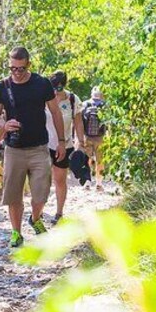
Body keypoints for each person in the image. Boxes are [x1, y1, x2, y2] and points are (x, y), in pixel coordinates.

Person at [0, 47, 66, 248]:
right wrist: (4, 125)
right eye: (12, 68)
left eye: (20, 68)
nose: (16, 72)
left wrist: (61, 141)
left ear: (28, 65)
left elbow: (56, 113)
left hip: (39, 147)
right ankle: (16, 233)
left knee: (41, 193)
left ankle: (35, 218)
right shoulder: (2, 87)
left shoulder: (41, 84)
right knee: (13, 194)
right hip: (14, 148)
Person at [44, 71, 86, 224]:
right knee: (42, 179)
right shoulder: (44, 98)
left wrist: (80, 142)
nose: (56, 91)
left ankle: (59, 212)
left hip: (66, 144)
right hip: (44, 144)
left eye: (60, 88)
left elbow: (78, 122)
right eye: (54, 88)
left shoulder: (73, 100)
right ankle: (39, 210)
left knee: (60, 179)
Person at [82, 86, 108, 191]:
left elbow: (79, 120)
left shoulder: (85, 104)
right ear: (101, 95)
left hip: (87, 136)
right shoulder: (105, 105)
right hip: (100, 137)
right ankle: (99, 183)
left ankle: (87, 182)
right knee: (100, 160)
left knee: (86, 159)